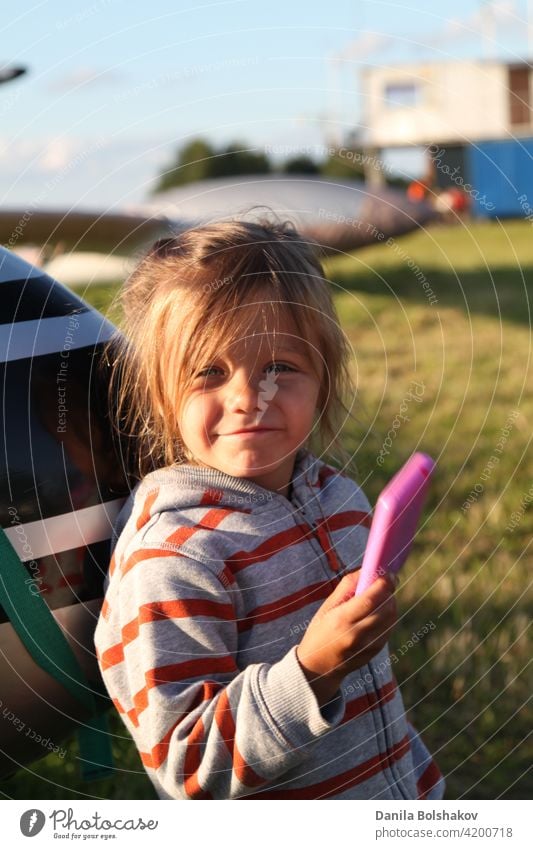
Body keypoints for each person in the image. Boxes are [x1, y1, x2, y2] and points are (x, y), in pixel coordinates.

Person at [94, 215, 445, 800]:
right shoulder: (173, 558)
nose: (248, 398)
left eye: (281, 366)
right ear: (161, 391)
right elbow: (186, 766)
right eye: (209, 371)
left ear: (324, 376)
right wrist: (311, 673)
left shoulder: (338, 498)